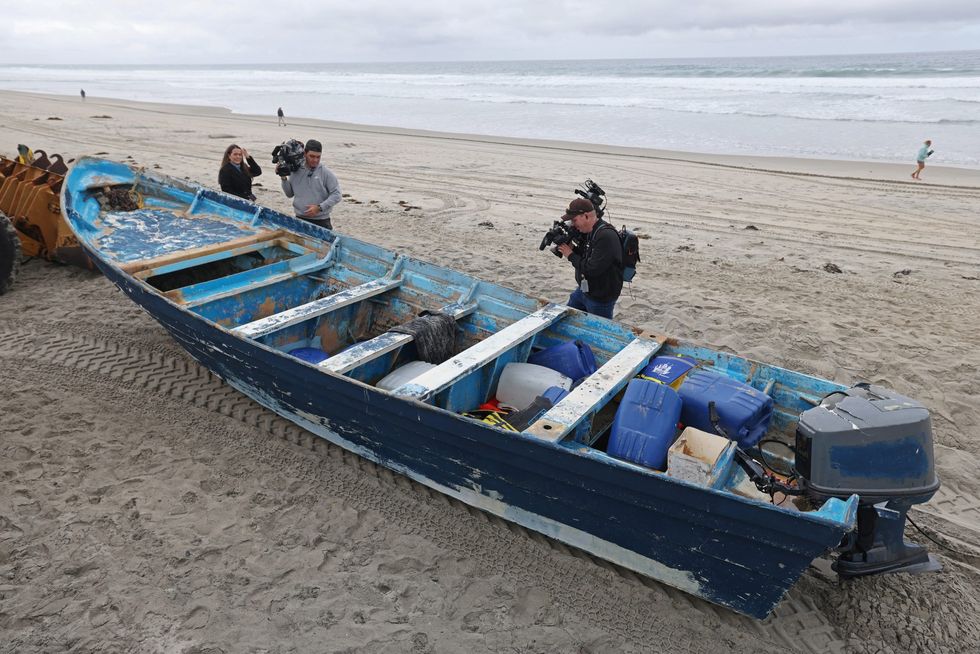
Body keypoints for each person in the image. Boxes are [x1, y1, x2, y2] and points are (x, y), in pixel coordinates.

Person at [556, 197, 623, 319]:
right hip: (584, 291)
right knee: (568, 317)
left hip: (600, 297)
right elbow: (587, 256)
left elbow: (592, 269)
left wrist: (570, 254)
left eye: (574, 220)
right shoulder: (590, 231)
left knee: (599, 331)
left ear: (586, 216)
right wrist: (573, 249)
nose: (573, 225)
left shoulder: (605, 236)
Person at [280, 139, 341, 229]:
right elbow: (289, 194)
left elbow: (337, 195)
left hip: (321, 221)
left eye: (318, 157)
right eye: (312, 156)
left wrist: (319, 207)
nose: (315, 160)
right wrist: (283, 177)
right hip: (299, 219)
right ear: (305, 153)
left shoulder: (325, 173)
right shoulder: (295, 170)